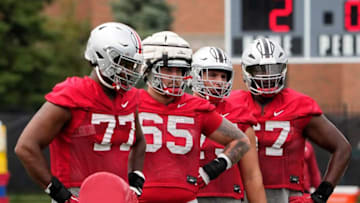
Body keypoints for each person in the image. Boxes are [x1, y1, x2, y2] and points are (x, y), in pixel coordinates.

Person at [14, 22, 146, 203]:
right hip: (79, 193)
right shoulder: (74, 93)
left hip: (118, 194)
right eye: (124, 63)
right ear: (102, 57)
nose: (130, 71)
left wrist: (135, 178)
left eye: (133, 65)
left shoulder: (129, 98)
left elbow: (139, 141)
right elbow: (26, 147)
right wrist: (59, 192)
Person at [228, 38, 352, 203]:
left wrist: (322, 193)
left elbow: (342, 148)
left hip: (286, 193)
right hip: (238, 191)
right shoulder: (232, 103)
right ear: (247, 71)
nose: (268, 76)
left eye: (273, 68)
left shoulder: (299, 105)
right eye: (260, 70)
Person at [138, 31, 250, 203]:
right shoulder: (130, 103)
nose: (174, 77)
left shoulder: (196, 107)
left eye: (180, 70)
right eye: (168, 69)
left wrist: (208, 172)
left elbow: (241, 142)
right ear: (147, 68)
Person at [191, 46, 266, 203]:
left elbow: (252, 176)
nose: (219, 82)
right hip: (188, 196)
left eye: (223, 76)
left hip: (228, 197)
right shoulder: (182, 108)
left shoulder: (240, 114)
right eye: (212, 75)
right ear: (195, 74)